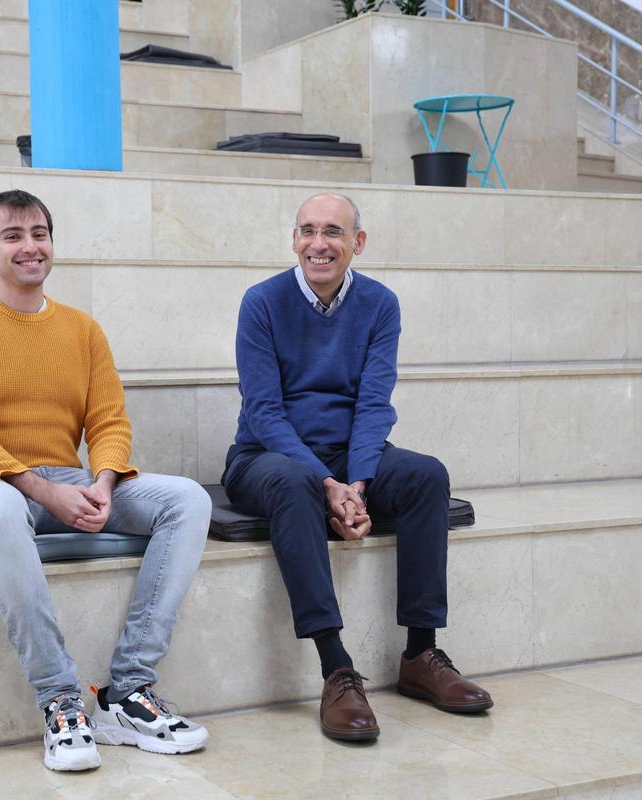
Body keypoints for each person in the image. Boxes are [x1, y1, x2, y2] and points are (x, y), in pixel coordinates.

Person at [0, 189, 211, 771]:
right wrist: (42, 490)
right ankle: (60, 698)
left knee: (187, 499)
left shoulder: (82, 329)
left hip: (62, 478)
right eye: (13, 236)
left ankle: (128, 690)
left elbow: (108, 420)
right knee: (1, 509)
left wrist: (102, 483)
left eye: (40, 234)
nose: (30, 247)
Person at [221, 192, 494, 742]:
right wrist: (327, 484)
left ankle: (420, 654)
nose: (318, 244)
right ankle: (336, 668)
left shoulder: (380, 304)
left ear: (357, 242)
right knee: (295, 481)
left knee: (426, 475)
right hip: (267, 457)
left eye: (333, 232)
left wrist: (358, 483)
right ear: (294, 239)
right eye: (307, 230)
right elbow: (265, 412)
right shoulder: (262, 302)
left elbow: (374, 404)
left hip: (350, 458)